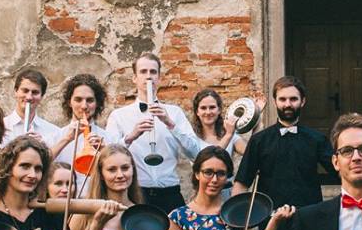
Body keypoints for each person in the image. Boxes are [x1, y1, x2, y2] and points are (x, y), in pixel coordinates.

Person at [103, 54, 203, 211]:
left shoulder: (174, 113)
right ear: (134, 78)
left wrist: (170, 124)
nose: (148, 76)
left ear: (159, 78)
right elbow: (107, 156)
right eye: (143, 72)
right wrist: (131, 136)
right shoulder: (119, 116)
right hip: (136, 193)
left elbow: (196, 154)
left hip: (170, 193)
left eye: (153, 72)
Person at [232, 76, 333, 211]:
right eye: (282, 99)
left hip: (308, 215)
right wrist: (235, 218)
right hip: (269, 216)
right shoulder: (259, 140)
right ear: (275, 102)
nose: (287, 104)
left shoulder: (317, 139)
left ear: (303, 101)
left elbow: (340, 172)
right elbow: (242, 183)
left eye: (293, 99)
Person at [52, 73, 119, 171]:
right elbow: (43, 164)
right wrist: (67, 139)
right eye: (78, 100)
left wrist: (104, 151)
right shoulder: (55, 137)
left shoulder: (109, 139)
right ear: (69, 102)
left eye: (90, 100)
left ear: (97, 103)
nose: (84, 106)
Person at [0, 67, 56, 149]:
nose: (29, 97)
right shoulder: (1, 127)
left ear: (42, 96)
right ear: (16, 91)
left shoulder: (53, 132)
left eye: (35, 92)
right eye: (25, 91)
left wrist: (44, 146)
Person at [188, 87, 243, 154]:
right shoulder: (192, 139)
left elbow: (250, 153)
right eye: (203, 108)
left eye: (212, 107)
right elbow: (211, 158)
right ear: (197, 112)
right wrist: (228, 135)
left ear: (219, 110)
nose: (208, 112)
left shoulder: (230, 134)